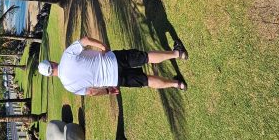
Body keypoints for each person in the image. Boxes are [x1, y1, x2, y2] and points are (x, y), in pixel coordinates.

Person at [37, 35, 187, 95]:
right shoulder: (66, 56)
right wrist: (102, 46)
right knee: (145, 57)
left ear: (50, 76)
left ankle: (177, 84)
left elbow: (91, 92)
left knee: (146, 81)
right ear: (52, 62)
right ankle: (178, 53)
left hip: (114, 80)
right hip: (113, 60)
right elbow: (85, 40)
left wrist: (108, 91)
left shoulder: (68, 86)